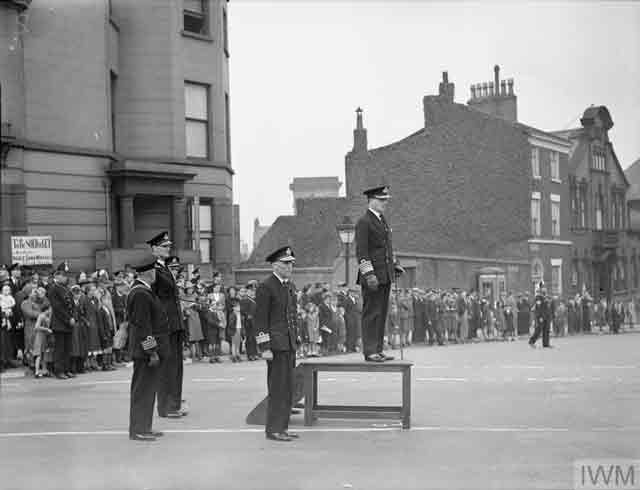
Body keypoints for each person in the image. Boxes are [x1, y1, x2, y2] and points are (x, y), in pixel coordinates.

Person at [255, 246, 299, 442]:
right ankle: (273, 429)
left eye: (291, 263)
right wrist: (264, 348)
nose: (290, 266)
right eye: (285, 263)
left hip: (288, 343)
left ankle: (282, 427)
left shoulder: (288, 286)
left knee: (288, 389)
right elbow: (260, 320)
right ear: (275, 265)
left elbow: (292, 316)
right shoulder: (267, 286)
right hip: (275, 346)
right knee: (277, 389)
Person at [355, 185, 404, 362]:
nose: (385, 204)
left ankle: (378, 349)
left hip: (385, 274)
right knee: (372, 313)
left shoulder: (382, 220)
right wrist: (369, 274)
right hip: (373, 276)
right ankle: (369, 351)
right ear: (372, 200)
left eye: (385, 200)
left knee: (381, 312)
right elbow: (362, 251)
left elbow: (386, 248)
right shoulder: (364, 222)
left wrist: (395, 265)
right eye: (382, 200)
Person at [126, 259, 169, 442]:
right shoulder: (141, 294)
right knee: (142, 390)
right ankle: (138, 429)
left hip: (146, 349)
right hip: (145, 352)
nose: (155, 275)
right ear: (148, 273)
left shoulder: (143, 291)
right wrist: (151, 351)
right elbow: (143, 327)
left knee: (148, 389)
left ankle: (145, 426)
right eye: (154, 271)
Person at [148, 232, 187, 419]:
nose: (167, 249)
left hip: (175, 324)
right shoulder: (153, 269)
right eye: (164, 246)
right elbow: (154, 299)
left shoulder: (166, 268)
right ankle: (165, 407)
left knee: (177, 367)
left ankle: (175, 403)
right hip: (164, 325)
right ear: (154, 249)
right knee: (166, 368)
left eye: (168, 246)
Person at [47, 262, 76, 379]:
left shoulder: (66, 288)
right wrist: (68, 319)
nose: (65, 277)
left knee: (68, 348)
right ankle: (59, 371)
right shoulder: (53, 289)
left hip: (68, 323)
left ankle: (67, 369)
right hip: (60, 323)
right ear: (57, 276)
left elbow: (72, 305)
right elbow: (57, 307)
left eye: (66, 275)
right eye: (63, 275)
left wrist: (73, 317)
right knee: (60, 348)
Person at [529, 282, 553, 348]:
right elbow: (538, 307)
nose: (545, 289)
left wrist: (550, 315)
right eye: (543, 288)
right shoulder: (538, 297)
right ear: (541, 289)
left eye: (545, 288)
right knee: (538, 330)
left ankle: (546, 344)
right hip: (541, 316)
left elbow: (548, 307)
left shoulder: (547, 296)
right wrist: (540, 316)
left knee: (546, 330)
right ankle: (532, 341)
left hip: (547, 316)